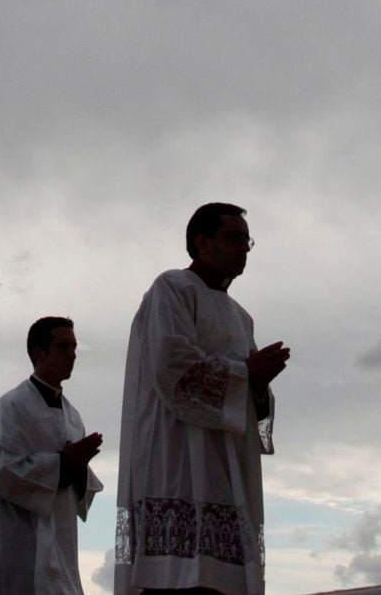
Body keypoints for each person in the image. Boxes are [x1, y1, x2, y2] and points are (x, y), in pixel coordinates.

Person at [114, 204, 288, 595]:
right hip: (175, 460)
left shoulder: (241, 317)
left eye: (248, 240)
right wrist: (246, 374)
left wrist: (258, 386)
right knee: (177, 580)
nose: (245, 248)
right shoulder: (172, 288)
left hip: (227, 470)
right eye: (235, 238)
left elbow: (253, 405)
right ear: (202, 243)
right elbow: (172, 365)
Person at [0, 316, 105, 594]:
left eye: (75, 347)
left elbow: (77, 484)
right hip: (16, 543)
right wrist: (64, 464)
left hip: (60, 542)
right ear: (39, 353)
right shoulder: (10, 406)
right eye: (63, 347)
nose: (73, 355)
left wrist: (79, 469)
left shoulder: (73, 416)